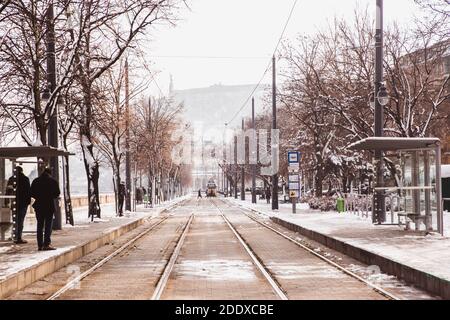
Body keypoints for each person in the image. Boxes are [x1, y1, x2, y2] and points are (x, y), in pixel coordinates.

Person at [31, 167, 60, 251]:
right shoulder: (53, 181)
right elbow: (57, 193)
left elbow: (32, 193)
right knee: (48, 226)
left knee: (39, 225)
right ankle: (46, 244)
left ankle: (40, 245)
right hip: (49, 206)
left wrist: (39, 197)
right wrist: (50, 196)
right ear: (50, 173)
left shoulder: (36, 181)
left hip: (39, 206)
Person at [6, 166, 31, 244]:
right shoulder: (26, 179)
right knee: (20, 221)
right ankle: (18, 237)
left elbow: (8, 191)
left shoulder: (11, 179)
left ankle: (14, 236)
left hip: (14, 203)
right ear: (22, 171)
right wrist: (28, 202)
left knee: (15, 220)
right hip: (23, 203)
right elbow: (28, 192)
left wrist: (6, 202)